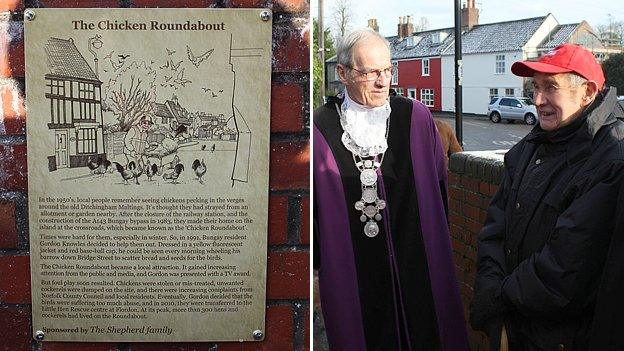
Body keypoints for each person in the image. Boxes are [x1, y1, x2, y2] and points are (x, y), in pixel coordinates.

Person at [313, 28, 469, 351]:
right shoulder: (319, 131)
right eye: (369, 72)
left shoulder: (416, 118)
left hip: (419, 267)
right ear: (342, 73)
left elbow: (440, 192)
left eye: (387, 70)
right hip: (356, 283)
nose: (383, 81)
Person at [470, 43, 624, 351]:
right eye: (535, 88)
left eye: (551, 87)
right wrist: (495, 307)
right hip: (518, 328)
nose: (538, 100)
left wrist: (495, 301)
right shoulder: (533, 144)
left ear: (588, 92)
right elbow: (494, 231)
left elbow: (567, 269)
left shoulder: (611, 157)